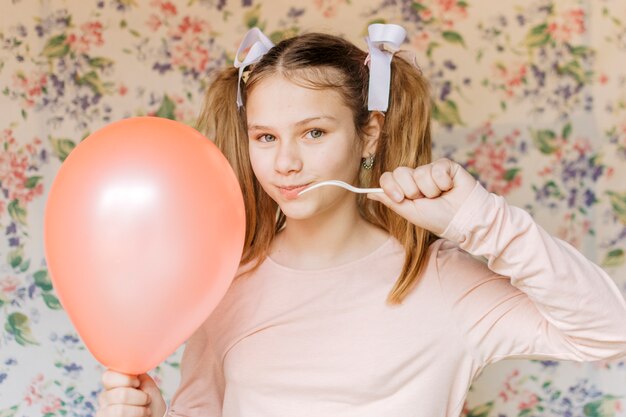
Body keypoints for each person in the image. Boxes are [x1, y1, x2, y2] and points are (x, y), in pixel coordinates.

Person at [95, 24, 626, 417]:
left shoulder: (439, 281)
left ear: (368, 134)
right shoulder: (226, 285)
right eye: (266, 137)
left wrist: (481, 218)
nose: (285, 164)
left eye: (314, 133)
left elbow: (609, 332)